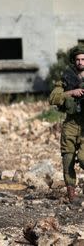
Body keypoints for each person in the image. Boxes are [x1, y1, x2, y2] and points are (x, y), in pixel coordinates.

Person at [49, 45, 84, 204]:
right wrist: (71, 92)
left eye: (83, 59)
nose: (80, 62)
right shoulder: (67, 78)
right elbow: (53, 98)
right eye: (77, 59)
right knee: (67, 157)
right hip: (71, 122)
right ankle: (72, 193)